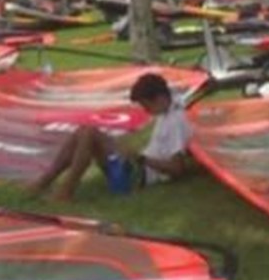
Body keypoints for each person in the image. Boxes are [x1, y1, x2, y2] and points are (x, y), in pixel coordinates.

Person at [26, 73, 191, 202]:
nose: (145, 110)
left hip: (141, 175)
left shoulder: (176, 121)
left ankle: (65, 190)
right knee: (84, 131)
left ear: (160, 98)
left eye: (146, 105)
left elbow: (177, 169)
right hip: (138, 166)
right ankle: (46, 181)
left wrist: (139, 158)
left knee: (89, 134)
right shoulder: (167, 108)